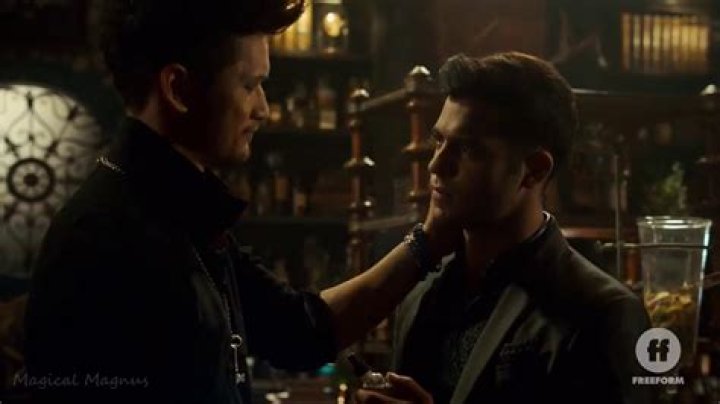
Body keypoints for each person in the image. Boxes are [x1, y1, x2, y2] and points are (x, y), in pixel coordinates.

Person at [22, 1, 452, 403]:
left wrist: (429, 240)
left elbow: (299, 330)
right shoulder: (104, 236)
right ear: (178, 88)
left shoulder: (178, 209)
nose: (263, 108)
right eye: (250, 85)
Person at [356, 53, 654, 404]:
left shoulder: (602, 314)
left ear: (534, 170)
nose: (436, 164)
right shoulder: (421, 293)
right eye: (439, 141)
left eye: (468, 149)